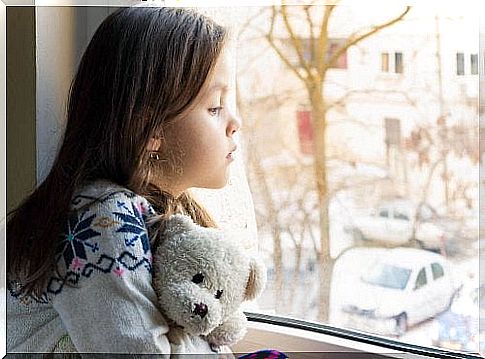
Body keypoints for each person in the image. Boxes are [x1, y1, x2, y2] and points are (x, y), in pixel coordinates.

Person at [6, 5, 287, 359]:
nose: (236, 122)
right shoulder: (100, 220)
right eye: (215, 107)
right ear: (151, 129)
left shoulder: (170, 218)